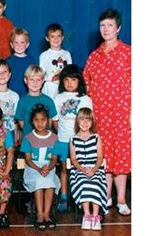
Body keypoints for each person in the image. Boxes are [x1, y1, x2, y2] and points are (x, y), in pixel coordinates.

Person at [83, 9, 131, 216]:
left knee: (121, 156)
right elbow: (86, 85)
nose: (106, 29)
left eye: (110, 25)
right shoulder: (94, 56)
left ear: (118, 28)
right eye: (102, 25)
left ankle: (121, 199)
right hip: (100, 115)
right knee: (104, 157)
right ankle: (106, 197)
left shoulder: (129, 53)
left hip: (122, 114)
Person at [53, 64, 93, 212]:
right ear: (62, 81)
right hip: (63, 140)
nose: (70, 83)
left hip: (81, 141)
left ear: (79, 81)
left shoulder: (85, 99)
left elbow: (89, 120)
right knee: (64, 169)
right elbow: (55, 121)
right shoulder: (58, 98)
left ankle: (82, 196)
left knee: (80, 169)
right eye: (66, 80)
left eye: (74, 79)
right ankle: (63, 195)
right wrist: (62, 133)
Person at [20, 104, 61, 230]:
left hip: (49, 167)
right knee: (39, 180)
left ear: (48, 120)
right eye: (36, 120)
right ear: (32, 121)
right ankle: (39, 214)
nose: (40, 123)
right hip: (32, 168)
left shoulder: (54, 138)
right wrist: (39, 169)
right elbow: (27, 159)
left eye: (43, 120)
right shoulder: (28, 138)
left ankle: (47, 214)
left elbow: (54, 159)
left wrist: (48, 168)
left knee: (48, 180)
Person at [69, 108, 107, 231]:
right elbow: (73, 159)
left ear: (92, 122)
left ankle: (95, 216)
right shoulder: (73, 139)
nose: (85, 123)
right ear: (77, 121)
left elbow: (100, 157)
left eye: (88, 120)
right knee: (84, 183)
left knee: (96, 183)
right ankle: (87, 215)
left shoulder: (96, 137)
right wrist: (82, 169)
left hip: (96, 169)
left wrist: (94, 169)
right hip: (79, 170)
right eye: (82, 120)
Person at [14, 64, 58, 142]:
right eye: (32, 79)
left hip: (45, 139)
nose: (35, 83)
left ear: (43, 81)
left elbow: (50, 123)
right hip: (28, 139)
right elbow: (22, 123)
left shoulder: (48, 100)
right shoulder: (22, 101)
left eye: (38, 80)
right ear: (25, 80)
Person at [39, 23, 72, 99]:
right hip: (49, 86)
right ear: (47, 38)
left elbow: (70, 73)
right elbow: (41, 74)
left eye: (58, 36)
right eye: (52, 36)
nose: (56, 39)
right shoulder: (44, 55)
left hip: (63, 86)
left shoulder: (67, 54)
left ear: (62, 37)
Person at [6, 28, 35, 97]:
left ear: (27, 44)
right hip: (11, 95)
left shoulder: (32, 61)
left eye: (22, 42)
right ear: (12, 45)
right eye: (16, 42)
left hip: (27, 95)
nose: (19, 45)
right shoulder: (8, 61)